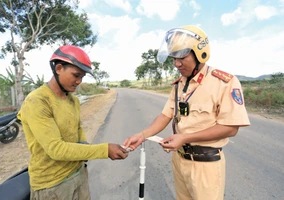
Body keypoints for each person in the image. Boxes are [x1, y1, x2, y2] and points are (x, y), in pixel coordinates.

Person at [123, 25, 250, 200]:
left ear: (200, 54)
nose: (177, 64)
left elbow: (230, 127)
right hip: (179, 160)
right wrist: (142, 134)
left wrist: (184, 138)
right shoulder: (179, 84)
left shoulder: (224, 82)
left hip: (206, 165)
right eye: (173, 58)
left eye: (182, 57)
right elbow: (166, 115)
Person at [17, 45, 129, 200]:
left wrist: (85, 150)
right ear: (58, 68)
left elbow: (78, 131)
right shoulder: (37, 101)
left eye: (82, 77)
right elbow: (55, 149)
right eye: (76, 75)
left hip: (78, 173)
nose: (78, 81)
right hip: (53, 184)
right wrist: (104, 150)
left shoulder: (72, 100)